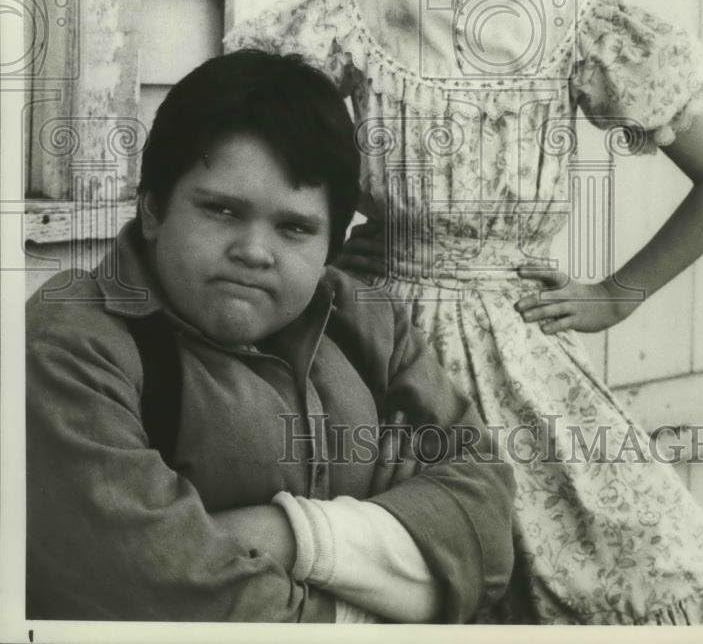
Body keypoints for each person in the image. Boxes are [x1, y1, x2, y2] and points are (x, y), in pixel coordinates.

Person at [223, 0, 703, 624]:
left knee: (585, 568)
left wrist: (616, 296)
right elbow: (241, 167)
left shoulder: (582, 30)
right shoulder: (342, 23)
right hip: (366, 347)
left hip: (515, 357)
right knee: (373, 570)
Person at [26, 49, 517, 623]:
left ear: (331, 242)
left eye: (294, 227)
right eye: (223, 211)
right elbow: (154, 596)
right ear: (154, 209)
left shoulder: (366, 324)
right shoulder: (73, 345)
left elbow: (486, 530)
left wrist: (285, 535)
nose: (254, 252)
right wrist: (386, 590)